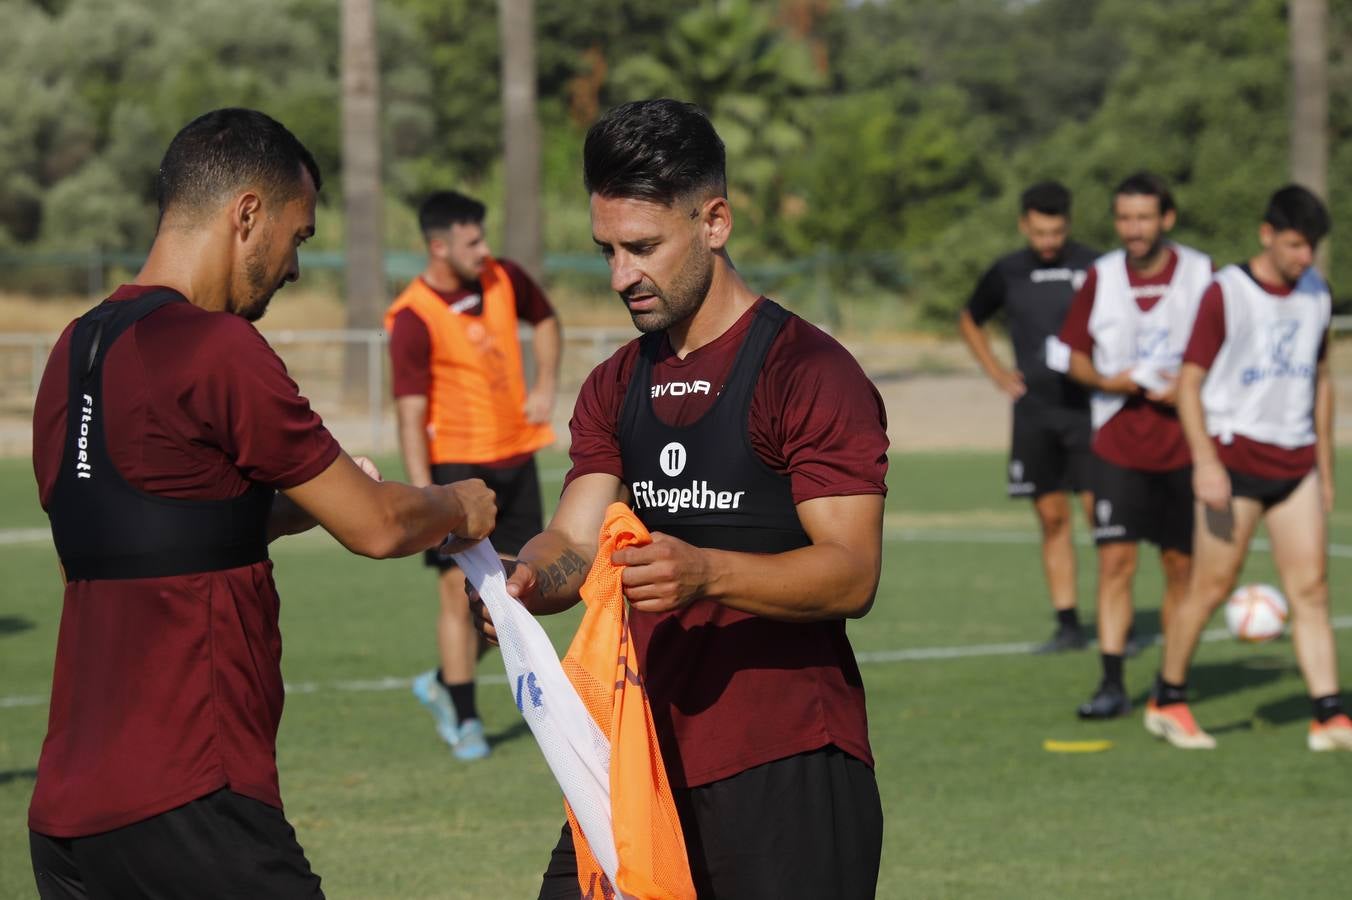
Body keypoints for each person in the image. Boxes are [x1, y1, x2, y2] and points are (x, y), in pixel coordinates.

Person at [27, 108, 497, 899]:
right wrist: (454, 503)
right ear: (248, 214)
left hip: (68, 820)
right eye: (299, 236)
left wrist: (307, 502)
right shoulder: (217, 347)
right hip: (192, 797)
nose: (295, 268)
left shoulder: (74, 347)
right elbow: (380, 527)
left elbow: (157, 528)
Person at [472, 99, 888, 899]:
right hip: (633, 764)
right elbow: (573, 543)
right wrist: (523, 584)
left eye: (643, 247)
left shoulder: (806, 371)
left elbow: (851, 574)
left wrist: (707, 573)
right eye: (607, 252)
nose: (622, 275)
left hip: (786, 767)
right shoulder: (616, 383)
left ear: (715, 222)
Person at [1145, 185, 1352, 751]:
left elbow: (1322, 381)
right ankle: (1168, 699)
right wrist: (1205, 461)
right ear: (1266, 234)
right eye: (1293, 245)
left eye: (1311, 247)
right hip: (1232, 463)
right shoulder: (1226, 293)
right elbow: (1189, 384)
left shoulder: (1316, 294)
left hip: (1296, 464)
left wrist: (1325, 468)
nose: (1304, 258)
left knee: (1310, 589)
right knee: (1210, 587)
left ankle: (1329, 715)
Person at [386, 190, 560, 760]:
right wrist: (424, 494)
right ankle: (464, 719)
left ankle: (441, 680)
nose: (485, 250)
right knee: (456, 599)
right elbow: (410, 415)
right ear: (438, 247)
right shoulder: (412, 315)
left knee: (517, 593)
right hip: (456, 470)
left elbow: (547, 319)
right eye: (471, 241)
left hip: (517, 459)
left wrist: (543, 386)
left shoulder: (504, 278)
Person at [1058, 171, 1212, 719]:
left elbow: (1226, 347)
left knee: (1179, 567)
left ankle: (1171, 685)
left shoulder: (1201, 273)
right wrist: (1111, 381)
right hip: (1118, 444)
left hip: (1185, 445)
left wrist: (1192, 387)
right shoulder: (1100, 277)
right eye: (1125, 217)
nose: (1134, 228)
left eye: (1145, 217)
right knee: (1116, 564)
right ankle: (1111, 684)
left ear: (1166, 219)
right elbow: (1074, 356)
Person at [958, 181, 1099, 653]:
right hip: (1035, 414)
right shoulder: (1008, 271)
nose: (1048, 242)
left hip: (1090, 411)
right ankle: (1068, 624)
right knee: (1053, 518)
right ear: (1024, 225)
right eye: (1039, 232)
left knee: (1102, 517)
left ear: (1069, 226)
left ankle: (1112, 620)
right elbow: (969, 318)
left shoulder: (1094, 267)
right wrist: (998, 372)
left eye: (1056, 232)